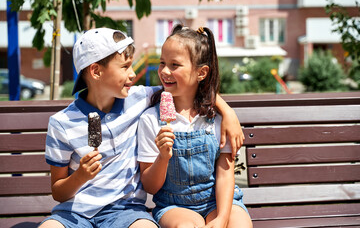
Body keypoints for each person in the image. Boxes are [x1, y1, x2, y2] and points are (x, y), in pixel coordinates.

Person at [39, 27, 244, 228]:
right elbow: (58, 193)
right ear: (96, 71)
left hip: (125, 212)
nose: (133, 73)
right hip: (73, 214)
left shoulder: (137, 98)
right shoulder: (61, 123)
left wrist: (228, 112)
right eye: (125, 66)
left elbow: (190, 89)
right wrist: (80, 176)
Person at [137, 25, 253, 228]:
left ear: (201, 73)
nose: (165, 71)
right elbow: (151, 187)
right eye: (162, 63)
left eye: (175, 65)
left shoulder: (217, 118)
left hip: (218, 201)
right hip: (173, 206)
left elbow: (226, 173)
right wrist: (163, 157)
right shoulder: (150, 119)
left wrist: (222, 219)